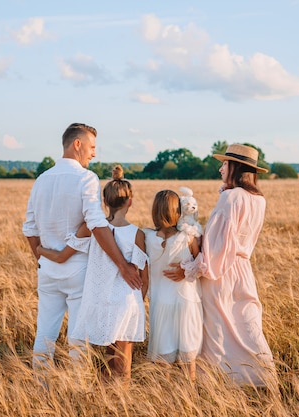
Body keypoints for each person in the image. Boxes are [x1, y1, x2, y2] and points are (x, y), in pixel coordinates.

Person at [22, 123, 142, 369]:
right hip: (78, 271)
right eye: (92, 147)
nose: (94, 153)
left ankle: (39, 388)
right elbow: (96, 224)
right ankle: (77, 390)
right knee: (78, 335)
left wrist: (44, 258)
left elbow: (30, 228)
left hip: (47, 271)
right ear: (78, 144)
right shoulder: (86, 178)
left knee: (44, 333)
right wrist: (122, 265)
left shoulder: (41, 180)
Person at [167, 143, 275, 387]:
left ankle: (217, 382)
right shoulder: (258, 199)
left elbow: (218, 243)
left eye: (225, 164)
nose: (220, 168)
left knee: (217, 327)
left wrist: (192, 267)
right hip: (243, 269)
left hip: (221, 271)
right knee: (247, 323)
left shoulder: (231, 197)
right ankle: (261, 377)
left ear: (235, 167)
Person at [68, 165, 149, 382]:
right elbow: (144, 277)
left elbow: (73, 240)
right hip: (126, 303)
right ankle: (120, 404)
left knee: (109, 359)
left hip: (101, 301)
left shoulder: (94, 228)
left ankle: (105, 403)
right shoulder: (137, 234)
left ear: (104, 202)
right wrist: (139, 303)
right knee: (124, 364)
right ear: (130, 201)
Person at [144, 190, 202, 381]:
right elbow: (200, 262)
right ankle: (190, 396)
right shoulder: (188, 237)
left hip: (161, 302)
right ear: (178, 211)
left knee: (163, 360)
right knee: (188, 358)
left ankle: (164, 401)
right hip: (185, 301)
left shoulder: (147, 238)